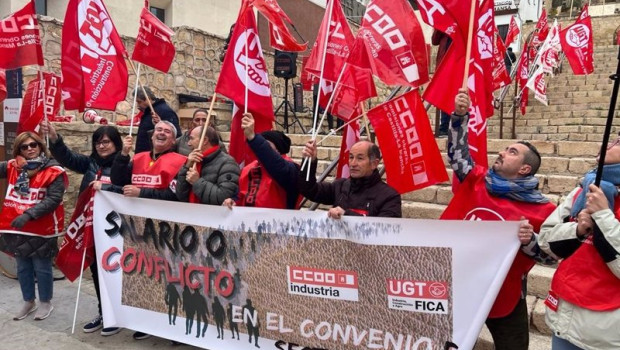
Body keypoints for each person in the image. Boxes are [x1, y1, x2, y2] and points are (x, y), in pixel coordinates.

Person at [440, 88, 557, 350]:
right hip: (458, 285)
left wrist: (531, 241)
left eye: (512, 152)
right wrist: (459, 117)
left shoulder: (544, 210)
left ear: (524, 168)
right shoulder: (478, 178)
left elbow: (550, 256)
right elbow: (457, 154)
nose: (503, 152)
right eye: (505, 148)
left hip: (503, 295)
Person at [39, 121, 123, 335]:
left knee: (118, 273)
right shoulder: (90, 164)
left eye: (106, 142)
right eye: (98, 143)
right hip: (92, 229)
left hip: (117, 231)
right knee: (97, 271)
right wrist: (55, 138)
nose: (102, 146)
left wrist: (106, 187)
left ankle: (121, 314)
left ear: (116, 143)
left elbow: (128, 190)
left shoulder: (125, 164)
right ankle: (104, 312)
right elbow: (67, 157)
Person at [539, 139, 620, 350]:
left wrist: (603, 215)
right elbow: (545, 241)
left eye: (619, 142)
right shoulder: (584, 190)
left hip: (606, 332)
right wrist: (577, 229)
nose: (608, 144)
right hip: (564, 315)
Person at [0, 132, 67, 321]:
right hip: (18, 227)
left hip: (41, 228)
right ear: (18, 149)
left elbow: (54, 199)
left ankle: (45, 302)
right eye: (24, 146)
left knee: (42, 267)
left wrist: (29, 215)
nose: (30, 149)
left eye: (33, 145)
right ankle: (28, 301)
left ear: (40, 146)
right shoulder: (14, 167)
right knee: (22, 267)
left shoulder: (54, 170)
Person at [298, 140, 401, 218]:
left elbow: (386, 232)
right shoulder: (340, 186)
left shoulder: (389, 196)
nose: (353, 163)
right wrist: (309, 162)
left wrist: (346, 215)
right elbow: (309, 189)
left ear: (374, 163)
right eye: (351, 157)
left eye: (360, 158)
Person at [223, 113, 300, 210]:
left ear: (278, 149)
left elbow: (277, 167)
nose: (260, 150)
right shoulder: (248, 168)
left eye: (267, 145)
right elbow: (240, 195)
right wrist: (233, 201)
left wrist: (253, 137)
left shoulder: (291, 168)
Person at [111, 121, 186, 202]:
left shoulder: (181, 161)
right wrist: (123, 154)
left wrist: (141, 193)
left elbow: (175, 194)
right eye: (159, 130)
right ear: (152, 136)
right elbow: (118, 181)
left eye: (167, 131)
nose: (162, 133)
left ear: (174, 140)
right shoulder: (138, 158)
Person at [175, 125, 239, 204]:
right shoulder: (192, 161)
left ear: (204, 140)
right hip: (190, 213)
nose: (188, 143)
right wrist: (186, 167)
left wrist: (197, 182)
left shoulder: (228, 163)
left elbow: (223, 197)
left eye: (191, 138)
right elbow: (180, 196)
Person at [134, 86, 181, 154]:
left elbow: (176, 136)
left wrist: (160, 123)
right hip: (144, 156)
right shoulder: (147, 112)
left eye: (139, 102)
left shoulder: (166, 112)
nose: (138, 105)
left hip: (156, 156)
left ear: (148, 98)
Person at [432, 29, 452, 137]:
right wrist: (440, 26)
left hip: (459, 64)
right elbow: (434, 41)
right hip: (443, 66)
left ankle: (456, 127)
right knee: (445, 96)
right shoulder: (444, 26)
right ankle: (444, 127)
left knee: (456, 96)